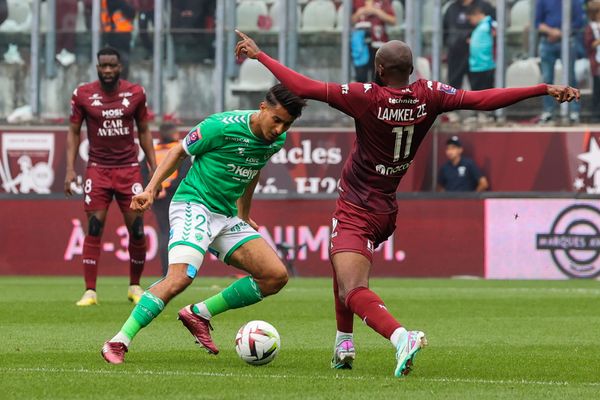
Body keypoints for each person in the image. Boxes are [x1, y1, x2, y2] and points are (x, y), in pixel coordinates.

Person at [234, 30, 579, 377]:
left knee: (353, 288)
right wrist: (541, 88)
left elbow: (304, 87)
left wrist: (260, 55)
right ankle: (344, 343)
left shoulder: (366, 97)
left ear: (381, 70)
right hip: (385, 206)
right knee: (340, 262)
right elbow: (483, 99)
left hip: (359, 206)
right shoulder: (430, 94)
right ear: (411, 70)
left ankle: (402, 337)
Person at [100, 84, 307, 364]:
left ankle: (199, 313)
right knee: (180, 277)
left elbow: (253, 171)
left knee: (274, 276)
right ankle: (117, 342)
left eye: (287, 124)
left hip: (225, 216)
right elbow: (177, 152)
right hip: (193, 204)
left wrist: (244, 215)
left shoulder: (275, 141)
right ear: (262, 108)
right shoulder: (220, 126)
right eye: (277, 120)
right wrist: (150, 189)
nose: (280, 129)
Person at [64, 47, 157, 307]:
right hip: (98, 169)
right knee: (94, 227)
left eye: (111, 66)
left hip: (129, 168)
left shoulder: (136, 93)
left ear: (120, 67)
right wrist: (70, 170)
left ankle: (135, 286)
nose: (107, 70)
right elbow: (72, 131)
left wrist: (154, 169)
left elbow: (145, 130)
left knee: (137, 229)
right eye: (102, 66)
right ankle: (90, 291)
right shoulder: (82, 94)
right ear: (97, 67)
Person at [535, 0, 585, 124]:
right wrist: (552, 32)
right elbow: (538, 23)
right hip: (547, 41)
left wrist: (561, 33)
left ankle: (573, 112)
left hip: (567, 40)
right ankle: (548, 112)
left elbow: (579, 22)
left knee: (570, 77)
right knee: (547, 78)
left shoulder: (574, 1)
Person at [150, 122, 190, 276]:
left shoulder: (154, 152)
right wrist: (167, 188)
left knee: (164, 233)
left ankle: (166, 272)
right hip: (175, 197)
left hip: (157, 197)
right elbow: (184, 175)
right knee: (178, 234)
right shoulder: (180, 150)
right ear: (174, 134)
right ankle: (176, 272)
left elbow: (143, 171)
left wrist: (153, 189)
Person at [443, 0, 495, 90]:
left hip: (479, 59)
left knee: (481, 91)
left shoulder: (485, 7)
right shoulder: (451, 8)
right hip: (456, 56)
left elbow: (496, 29)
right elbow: (444, 31)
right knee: (453, 90)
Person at [351, 0, 396, 83]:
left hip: (379, 44)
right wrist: (360, 12)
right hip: (361, 45)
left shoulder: (383, 2)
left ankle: (377, 94)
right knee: (361, 77)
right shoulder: (356, 2)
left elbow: (393, 20)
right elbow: (348, 21)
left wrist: (376, 11)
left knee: (378, 77)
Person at [101, 0, 135, 79]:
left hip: (123, 35)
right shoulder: (108, 2)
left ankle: (121, 84)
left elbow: (131, 13)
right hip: (111, 35)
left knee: (123, 63)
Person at [584, 0, 600, 122]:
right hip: (597, 63)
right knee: (597, 89)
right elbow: (590, 45)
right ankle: (595, 114)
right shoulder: (591, 28)